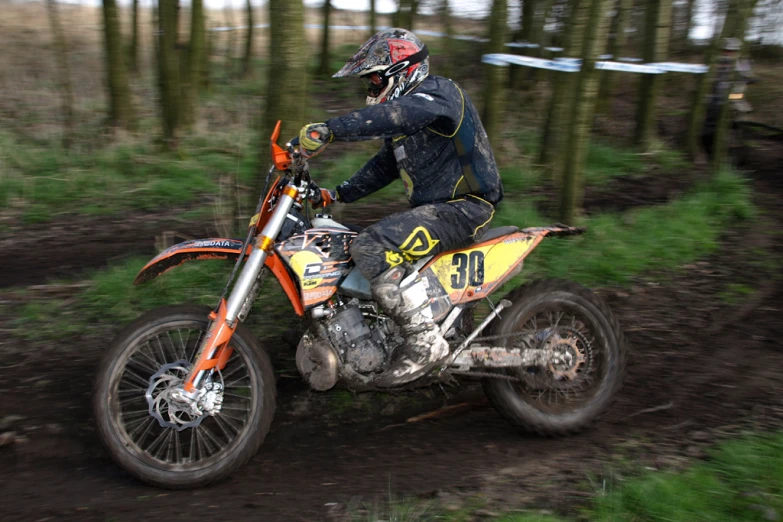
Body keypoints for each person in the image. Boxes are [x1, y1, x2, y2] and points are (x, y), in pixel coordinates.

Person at [297, 28, 503, 387]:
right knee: (350, 247)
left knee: (371, 244)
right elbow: (385, 166)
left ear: (403, 71)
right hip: (440, 210)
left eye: (375, 79)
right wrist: (336, 195)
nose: (371, 88)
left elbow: (396, 114)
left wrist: (331, 129)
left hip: (465, 208)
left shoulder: (439, 94)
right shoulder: (409, 121)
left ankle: (424, 341)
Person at [702, 37, 755, 157]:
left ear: (737, 51)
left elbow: (748, 76)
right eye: (725, 50)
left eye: (731, 51)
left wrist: (748, 78)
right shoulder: (717, 61)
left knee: (738, 120)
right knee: (709, 123)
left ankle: (736, 147)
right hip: (715, 97)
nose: (728, 53)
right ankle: (709, 148)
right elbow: (709, 78)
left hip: (734, 97)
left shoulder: (742, 63)